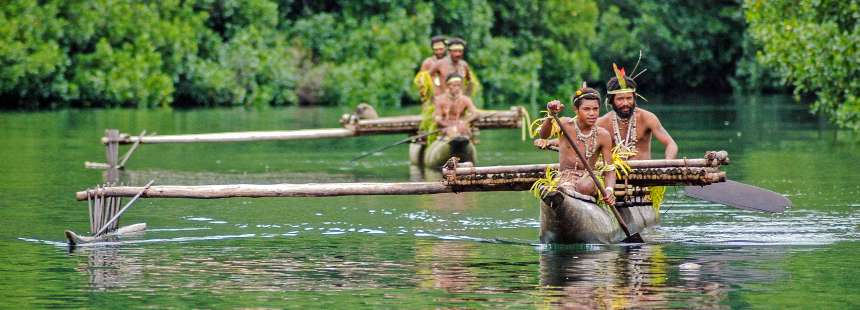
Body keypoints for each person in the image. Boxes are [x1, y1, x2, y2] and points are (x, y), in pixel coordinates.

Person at [536, 85, 616, 205]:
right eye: (586, 109)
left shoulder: (603, 135)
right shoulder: (565, 124)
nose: (592, 113)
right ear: (576, 110)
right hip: (564, 177)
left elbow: (609, 169)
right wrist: (551, 115)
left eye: (595, 109)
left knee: (584, 186)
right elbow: (544, 135)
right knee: (564, 188)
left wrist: (609, 190)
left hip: (589, 179)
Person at [595, 64, 678, 160]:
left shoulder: (647, 118)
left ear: (634, 98)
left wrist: (667, 164)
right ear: (611, 101)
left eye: (629, 98)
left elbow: (671, 144)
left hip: (645, 173)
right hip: (613, 174)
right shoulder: (601, 123)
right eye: (620, 99)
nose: (625, 103)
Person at [433, 73, 478, 138]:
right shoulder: (440, 100)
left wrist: (464, 122)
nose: (457, 88)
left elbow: (475, 113)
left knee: (463, 129)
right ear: (448, 86)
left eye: (459, 85)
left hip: (461, 126)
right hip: (446, 127)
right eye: (454, 85)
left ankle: (462, 137)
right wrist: (450, 125)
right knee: (450, 131)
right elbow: (438, 119)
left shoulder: (465, 99)